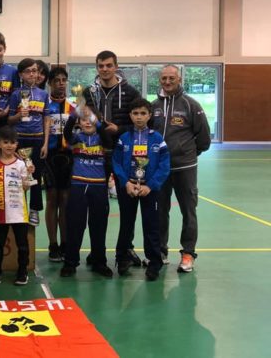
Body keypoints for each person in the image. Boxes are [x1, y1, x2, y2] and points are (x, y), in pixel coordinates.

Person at [82, 50, 142, 266]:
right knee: (97, 207)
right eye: (101, 66)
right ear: (97, 67)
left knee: (127, 205)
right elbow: (83, 120)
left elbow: (140, 122)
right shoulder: (89, 92)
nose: (105, 69)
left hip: (123, 155)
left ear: (116, 66)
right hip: (95, 155)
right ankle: (97, 252)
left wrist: (119, 129)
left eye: (109, 65)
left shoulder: (131, 92)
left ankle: (124, 251)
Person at [151, 65, 211, 272]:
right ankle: (160, 251)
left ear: (179, 79)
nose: (167, 82)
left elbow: (204, 138)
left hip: (185, 168)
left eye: (171, 78)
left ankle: (188, 254)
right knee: (160, 211)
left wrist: (187, 153)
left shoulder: (191, 105)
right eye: (164, 78)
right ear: (160, 80)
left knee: (188, 211)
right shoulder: (153, 106)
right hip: (160, 169)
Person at [113, 98, 170, 281]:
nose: (139, 117)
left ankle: (154, 262)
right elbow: (116, 162)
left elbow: (164, 165)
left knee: (151, 225)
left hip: (149, 189)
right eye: (135, 113)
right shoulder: (124, 138)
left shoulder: (157, 139)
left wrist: (150, 186)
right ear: (130, 115)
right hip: (128, 188)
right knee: (126, 224)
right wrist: (125, 183)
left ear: (149, 115)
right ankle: (122, 258)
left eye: (143, 113)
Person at [60, 107, 113, 278]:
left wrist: (97, 121)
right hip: (78, 185)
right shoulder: (76, 138)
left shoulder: (103, 138)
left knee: (99, 225)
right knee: (75, 225)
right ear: (79, 123)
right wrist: (74, 114)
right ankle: (70, 262)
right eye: (84, 120)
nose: (88, 122)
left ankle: (99, 262)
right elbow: (66, 132)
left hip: (99, 186)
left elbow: (106, 136)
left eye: (91, 120)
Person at [8, 58, 50, 226]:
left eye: (34, 71)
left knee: (36, 174)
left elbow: (46, 118)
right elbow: (9, 120)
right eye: (28, 71)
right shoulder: (16, 94)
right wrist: (19, 115)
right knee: (20, 174)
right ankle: (19, 207)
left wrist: (45, 143)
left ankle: (34, 209)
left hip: (38, 138)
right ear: (21, 75)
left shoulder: (43, 94)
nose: (32, 74)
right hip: (20, 138)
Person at [0, 126, 32, 286]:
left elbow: (26, 187)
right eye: (6, 142)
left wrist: (29, 174)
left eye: (12, 142)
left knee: (22, 244)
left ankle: (23, 271)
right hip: (0, 211)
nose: (9, 146)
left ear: (17, 144)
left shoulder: (21, 164)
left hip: (19, 212)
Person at [44, 67, 75, 262]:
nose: (61, 83)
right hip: (49, 157)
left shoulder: (73, 107)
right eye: (56, 80)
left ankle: (65, 243)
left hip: (68, 157)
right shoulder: (44, 105)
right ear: (50, 83)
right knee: (52, 199)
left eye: (64, 80)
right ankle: (53, 244)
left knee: (65, 200)